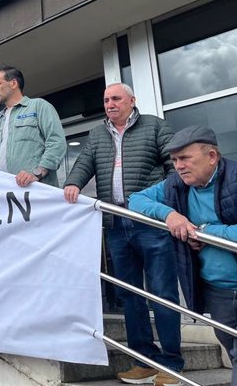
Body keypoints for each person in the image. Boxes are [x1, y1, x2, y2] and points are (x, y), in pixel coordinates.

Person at [63, 82, 182, 385]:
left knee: (162, 294)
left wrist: (165, 206)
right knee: (129, 296)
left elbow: (174, 167)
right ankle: (144, 361)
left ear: (132, 100)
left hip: (150, 224)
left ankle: (171, 364)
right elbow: (84, 162)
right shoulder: (97, 133)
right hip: (116, 225)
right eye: (105, 100)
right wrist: (74, 182)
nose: (110, 104)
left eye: (116, 98)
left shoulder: (154, 126)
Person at [129, 125, 237, 386]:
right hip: (217, 290)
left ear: (212, 156)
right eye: (175, 160)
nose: (179, 166)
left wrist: (204, 232)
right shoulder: (176, 185)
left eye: (186, 158)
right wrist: (170, 215)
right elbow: (136, 200)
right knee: (233, 350)